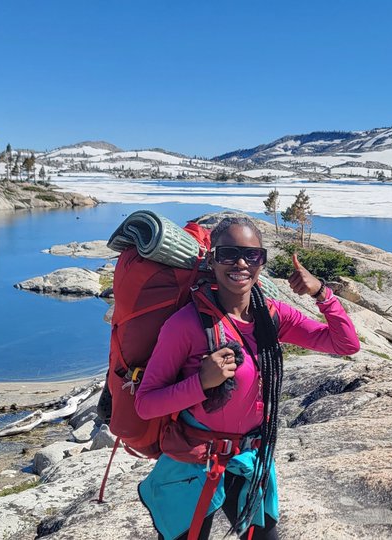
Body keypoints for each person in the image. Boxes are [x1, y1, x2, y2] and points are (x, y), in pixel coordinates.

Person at [135, 216, 360, 540]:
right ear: (212, 259)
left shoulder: (273, 316)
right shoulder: (185, 325)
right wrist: (200, 383)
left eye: (251, 255)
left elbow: (346, 344)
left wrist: (322, 293)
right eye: (228, 254)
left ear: (262, 262)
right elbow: (146, 404)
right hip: (193, 464)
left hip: (250, 460)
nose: (240, 263)